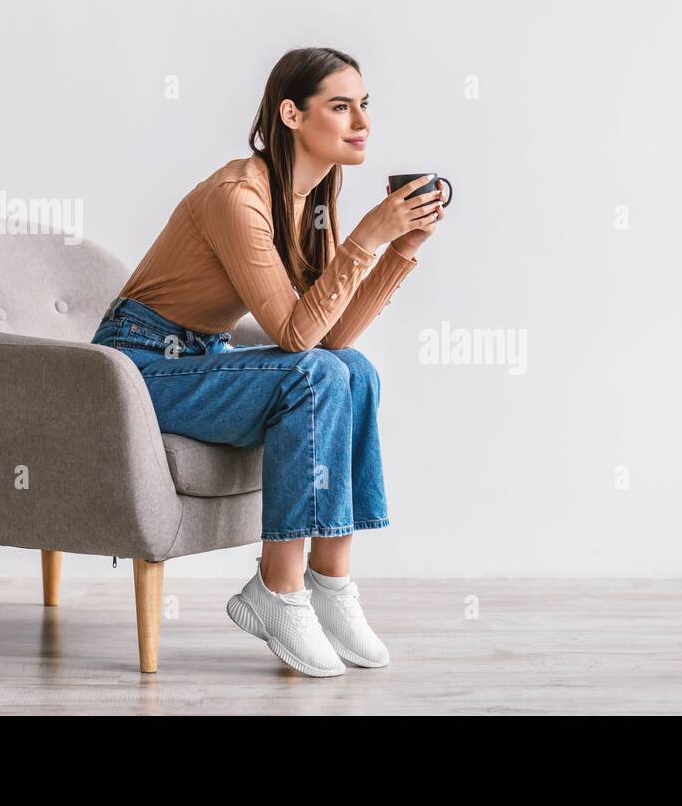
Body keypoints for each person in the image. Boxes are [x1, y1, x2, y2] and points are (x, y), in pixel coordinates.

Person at [89, 46, 446, 677]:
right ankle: (276, 589)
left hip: (204, 359)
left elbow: (333, 339)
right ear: (291, 114)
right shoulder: (238, 194)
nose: (361, 121)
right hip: (135, 369)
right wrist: (367, 238)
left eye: (364, 105)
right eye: (340, 106)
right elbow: (292, 333)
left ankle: (329, 585)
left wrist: (398, 251)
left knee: (355, 371)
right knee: (313, 376)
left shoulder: (312, 201)